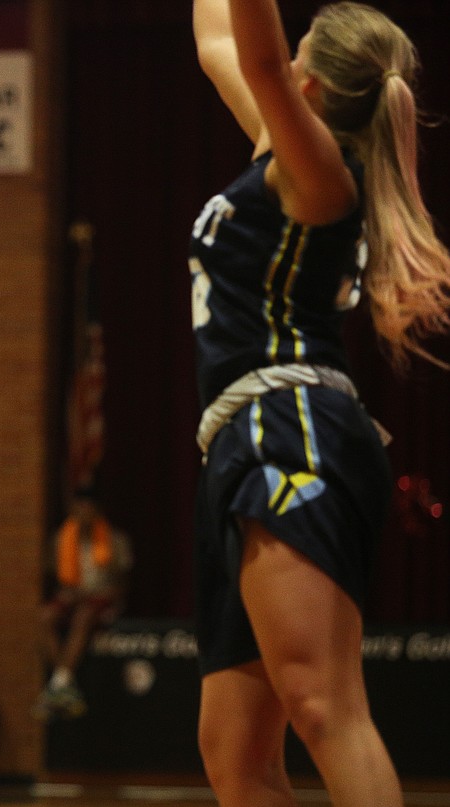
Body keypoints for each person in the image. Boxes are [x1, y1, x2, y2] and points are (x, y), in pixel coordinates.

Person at [190, 3, 450, 807]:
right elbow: (215, 43)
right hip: (244, 438)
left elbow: (258, 59)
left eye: (295, 53)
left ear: (308, 84)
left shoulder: (320, 172)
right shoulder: (282, 149)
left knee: (323, 706)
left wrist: (269, 50)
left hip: (292, 424)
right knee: (234, 751)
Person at [35, 490, 132, 719]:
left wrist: (101, 595)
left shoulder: (114, 540)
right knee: (44, 617)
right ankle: (64, 683)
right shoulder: (62, 538)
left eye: (89, 508)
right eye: (79, 508)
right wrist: (68, 595)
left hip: (101, 599)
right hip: (72, 597)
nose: (84, 513)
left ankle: (58, 685)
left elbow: (122, 584)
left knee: (83, 616)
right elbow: (56, 579)